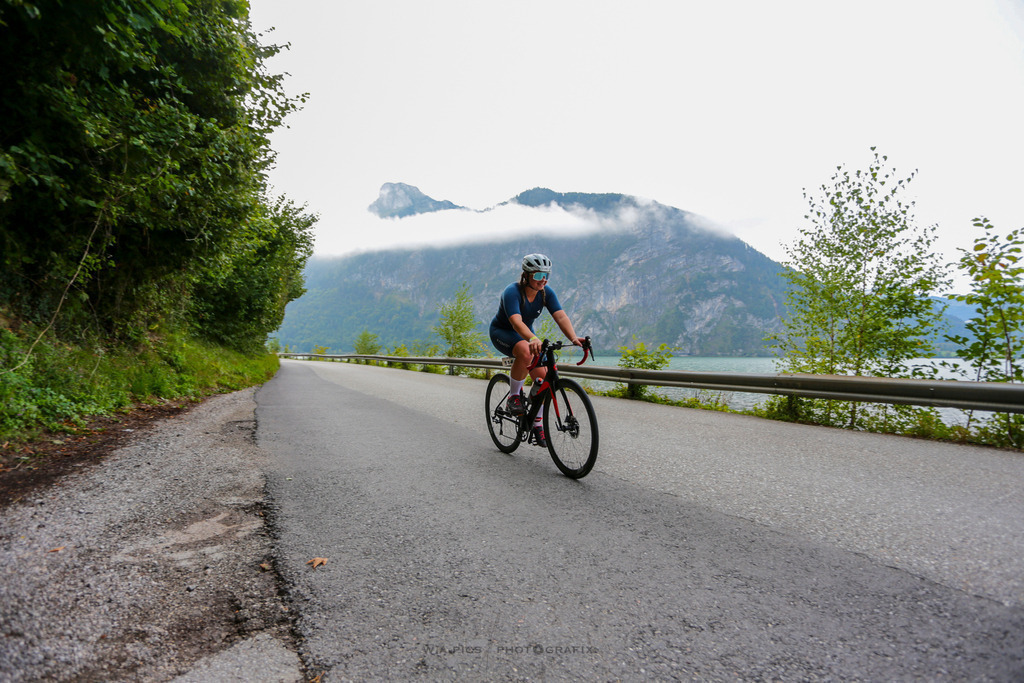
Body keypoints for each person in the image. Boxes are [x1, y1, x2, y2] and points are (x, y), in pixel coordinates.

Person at [489, 253, 582, 447]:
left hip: (526, 335)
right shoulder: (512, 291)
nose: (543, 280)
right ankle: (514, 396)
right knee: (525, 351)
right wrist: (532, 338)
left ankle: (537, 424)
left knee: (544, 378)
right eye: (539, 275)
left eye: (546, 275)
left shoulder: (546, 293)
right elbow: (516, 322)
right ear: (526, 275)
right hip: (503, 332)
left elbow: (561, 316)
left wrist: (573, 338)